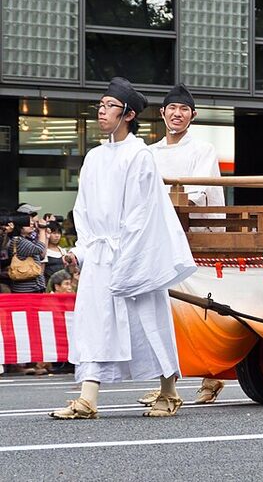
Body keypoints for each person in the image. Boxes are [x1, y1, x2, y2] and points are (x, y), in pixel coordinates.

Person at [50, 77, 197, 420]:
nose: (102, 112)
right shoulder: (94, 157)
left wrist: (128, 258)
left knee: (148, 321)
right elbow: (82, 209)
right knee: (94, 321)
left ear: (128, 114)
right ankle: (88, 397)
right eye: (100, 106)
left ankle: (168, 391)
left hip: (134, 254)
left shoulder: (139, 156)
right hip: (102, 255)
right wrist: (82, 250)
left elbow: (141, 213)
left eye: (109, 106)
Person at [147, 82, 227, 405]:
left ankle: (212, 374)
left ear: (192, 115)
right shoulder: (149, 153)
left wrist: (164, 206)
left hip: (195, 238)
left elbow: (196, 195)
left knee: (200, 310)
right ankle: (167, 380)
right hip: (158, 240)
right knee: (162, 310)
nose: (177, 114)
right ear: (162, 113)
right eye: (172, 108)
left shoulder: (202, 150)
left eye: (183, 109)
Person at [6, 213, 48, 293]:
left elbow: (41, 256)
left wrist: (45, 236)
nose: (32, 224)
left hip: (30, 287)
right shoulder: (19, 241)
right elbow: (39, 249)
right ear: (20, 226)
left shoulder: (24, 240)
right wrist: (42, 229)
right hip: (28, 289)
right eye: (28, 223)